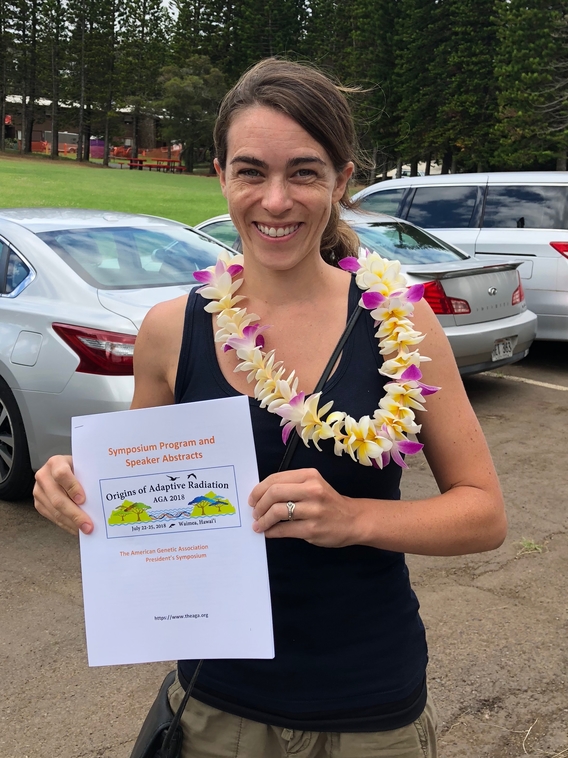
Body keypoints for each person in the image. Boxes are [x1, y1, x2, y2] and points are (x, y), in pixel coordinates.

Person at [34, 58, 507, 758]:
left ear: (343, 182)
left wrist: (354, 518)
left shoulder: (401, 325)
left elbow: (484, 513)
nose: (276, 200)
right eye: (251, 171)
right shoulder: (172, 329)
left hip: (369, 706)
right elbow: (131, 497)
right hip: (215, 705)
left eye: (305, 173)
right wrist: (69, 488)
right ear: (221, 174)